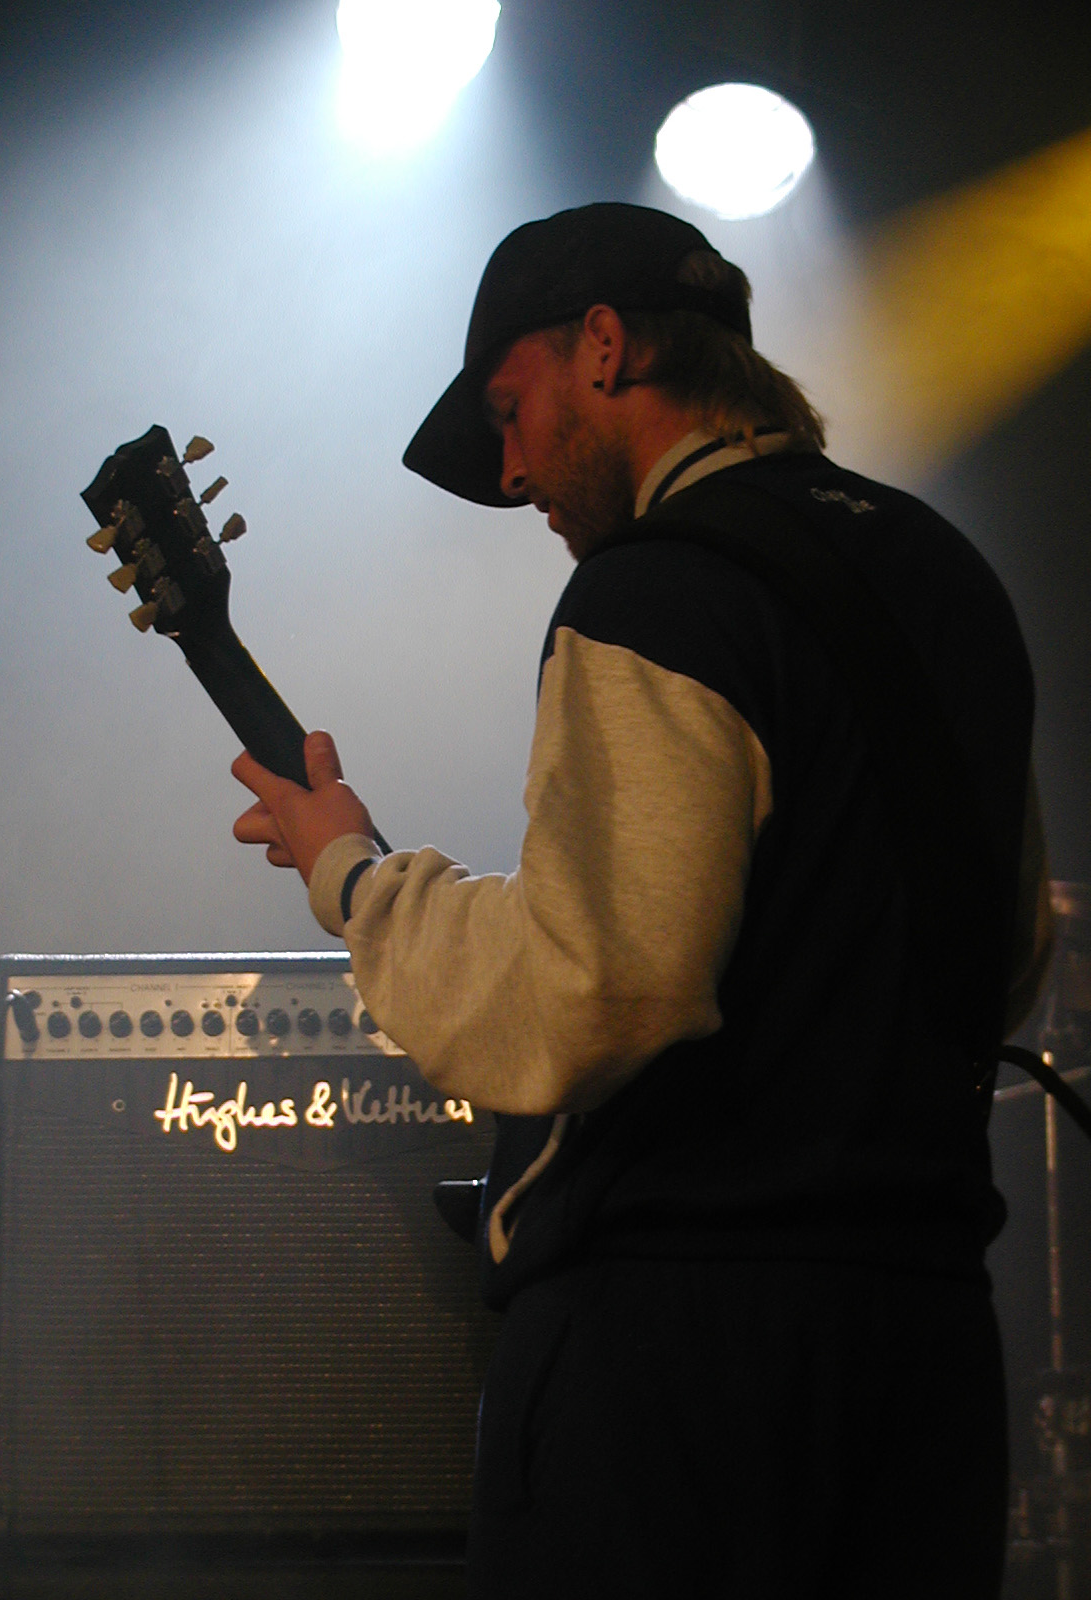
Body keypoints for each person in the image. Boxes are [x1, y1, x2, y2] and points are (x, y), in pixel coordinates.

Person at [231, 203, 1052, 1597]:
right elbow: (1011, 950)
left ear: (603, 347)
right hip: (928, 1354)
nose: (512, 472)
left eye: (510, 411)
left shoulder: (658, 593)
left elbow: (596, 986)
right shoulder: (949, 575)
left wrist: (353, 875)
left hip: (685, 1361)